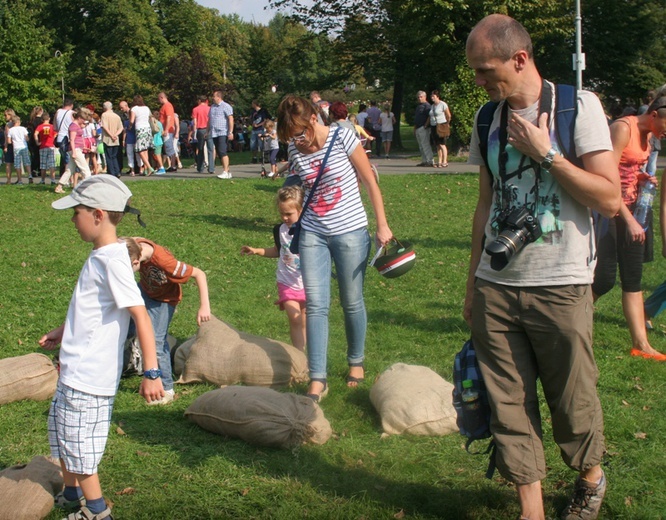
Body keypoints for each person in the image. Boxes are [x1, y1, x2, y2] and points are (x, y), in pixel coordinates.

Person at [463, 14, 621, 520]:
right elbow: (485, 206)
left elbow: (611, 199)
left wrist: (546, 152)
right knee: (507, 403)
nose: (481, 82)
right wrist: (472, 284)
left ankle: (590, 476)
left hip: (561, 282)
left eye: (487, 70)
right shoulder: (487, 119)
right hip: (496, 284)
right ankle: (531, 508)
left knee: (572, 400)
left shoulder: (579, 106)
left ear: (520, 59)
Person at [40, 175, 164, 520]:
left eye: (75, 211)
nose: (71, 219)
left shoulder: (111, 260)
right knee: (62, 432)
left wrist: (152, 372)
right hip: (74, 368)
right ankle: (70, 493)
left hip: (88, 376)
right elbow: (91, 308)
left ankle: (96, 512)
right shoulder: (101, 255)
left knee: (79, 446)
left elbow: (141, 316)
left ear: (97, 215)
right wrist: (63, 331)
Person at [276, 95, 393, 402]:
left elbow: (369, 180)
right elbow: (299, 185)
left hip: (351, 232)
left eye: (300, 133)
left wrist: (381, 224)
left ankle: (356, 361)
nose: (297, 141)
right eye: (291, 136)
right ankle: (317, 378)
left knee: (352, 300)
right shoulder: (294, 149)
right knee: (315, 304)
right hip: (313, 233)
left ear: (314, 118)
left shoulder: (342, 136)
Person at [593, 96, 666, 361]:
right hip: (610, 211)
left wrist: (641, 177)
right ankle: (570, 322)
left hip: (634, 209)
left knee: (633, 279)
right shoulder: (623, 128)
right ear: (656, 114)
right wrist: (629, 219)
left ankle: (641, 345)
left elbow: (627, 169)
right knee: (603, 279)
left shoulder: (649, 136)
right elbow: (607, 175)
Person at [121, 235, 211, 405]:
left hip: (163, 301)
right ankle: (131, 360)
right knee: (125, 326)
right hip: (145, 290)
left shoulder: (165, 262)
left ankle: (166, 387)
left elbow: (199, 274)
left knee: (156, 342)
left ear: (135, 262)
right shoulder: (131, 245)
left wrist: (204, 306)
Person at [241, 186, 306, 351]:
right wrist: (257, 251)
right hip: (287, 282)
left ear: (301, 210)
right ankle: (299, 356)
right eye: (281, 213)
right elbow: (278, 251)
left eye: (289, 214)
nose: (284, 217)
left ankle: (307, 356)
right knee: (295, 318)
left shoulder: (309, 230)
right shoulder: (279, 230)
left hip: (307, 283)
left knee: (305, 321)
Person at [208, 90, 234, 180]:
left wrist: (230, 132)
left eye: (214, 96)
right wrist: (208, 131)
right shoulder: (212, 107)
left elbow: (230, 119)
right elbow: (210, 120)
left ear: (219, 97)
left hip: (223, 132)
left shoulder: (225, 106)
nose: (212, 97)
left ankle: (225, 171)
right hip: (214, 132)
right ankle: (227, 171)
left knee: (223, 151)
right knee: (219, 152)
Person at [129, 95, 155, 176]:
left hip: (140, 129)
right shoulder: (146, 108)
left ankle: (149, 167)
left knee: (140, 150)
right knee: (145, 149)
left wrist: (129, 126)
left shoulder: (134, 109)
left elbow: (132, 120)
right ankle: (146, 169)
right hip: (147, 129)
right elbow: (150, 117)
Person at [99, 101, 123, 178]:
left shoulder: (104, 115)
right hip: (116, 139)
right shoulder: (117, 116)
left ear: (104, 107)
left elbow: (105, 127)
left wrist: (111, 135)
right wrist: (115, 135)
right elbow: (121, 128)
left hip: (107, 139)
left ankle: (112, 172)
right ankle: (117, 171)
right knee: (114, 156)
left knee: (108, 156)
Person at [429, 90, 451, 168]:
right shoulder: (432, 106)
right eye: (431, 96)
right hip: (434, 126)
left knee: (442, 144)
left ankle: (445, 161)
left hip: (441, 125)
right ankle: (439, 161)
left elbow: (448, 115)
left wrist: (447, 124)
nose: (432, 98)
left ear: (437, 97)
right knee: (437, 145)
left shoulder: (443, 104)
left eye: (433, 96)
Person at [34, 112, 57, 184]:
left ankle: (43, 180)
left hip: (43, 146)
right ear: (49, 119)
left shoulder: (40, 126)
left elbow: (35, 134)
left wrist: (37, 142)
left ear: (42, 119)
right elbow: (56, 134)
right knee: (52, 164)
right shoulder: (52, 127)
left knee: (43, 164)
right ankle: (53, 180)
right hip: (50, 146)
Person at [7, 115, 30, 185]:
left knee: (18, 164)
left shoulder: (10, 130)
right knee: (27, 162)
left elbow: (9, 141)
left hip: (16, 147)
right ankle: (30, 176)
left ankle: (20, 180)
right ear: (18, 122)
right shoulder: (23, 128)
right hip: (24, 146)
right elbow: (27, 138)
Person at [158, 92, 178, 172]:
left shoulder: (167, 106)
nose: (158, 101)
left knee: (169, 148)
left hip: (168, 130)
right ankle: (172, 165)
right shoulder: (165, 106)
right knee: (168, 148)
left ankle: (173, 166)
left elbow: (169, 118)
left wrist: (166, 129)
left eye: (158, 99)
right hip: (166, 130)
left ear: (161, 97)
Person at [55, 98, 74, 179]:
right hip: (67, 138)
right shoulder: (72, 113)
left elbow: (55, 127)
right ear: (71, 105)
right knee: (68, 161)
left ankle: (63, 176)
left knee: (64, 159)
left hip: (59, 138)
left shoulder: (58, 112)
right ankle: (67, 179)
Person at [192, 95, 212, 174]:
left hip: (200, 129)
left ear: (199, 100)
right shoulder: (210, 108)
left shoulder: (195, 109)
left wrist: (194, 132)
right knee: (210, 149)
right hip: (209, 129)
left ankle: (200, 168)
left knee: (200, 149)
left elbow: (195, 122)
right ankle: (211, 168)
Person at [414, 91, 433, 166]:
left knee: (425, 145)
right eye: (418, 97)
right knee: (421, 145)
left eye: (421, 97)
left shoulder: (427, 106)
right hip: (418, 127)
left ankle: (430, 160)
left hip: (423, 127)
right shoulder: (419, 106)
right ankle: (424, 160)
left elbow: (429, 116)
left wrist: (426, 125)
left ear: (425, 97)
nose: (419, 98)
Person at [4, 108, 16, 184]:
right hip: (17, 144)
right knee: (17, 163)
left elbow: (7, 137)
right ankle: (20, 178)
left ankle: (8, 180)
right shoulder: (17, 123)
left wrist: (5, 146)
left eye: (6, 115)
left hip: (10, 145)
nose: (5, 117)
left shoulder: (8, 125)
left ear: (10, 115)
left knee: (8, 163)